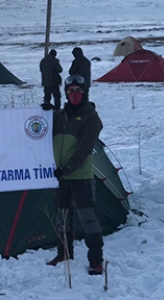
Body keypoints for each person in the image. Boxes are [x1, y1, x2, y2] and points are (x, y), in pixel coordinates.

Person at [42, 74, 105, 276]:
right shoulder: (60, 116)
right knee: (62, 216)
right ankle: (64, 253)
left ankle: (95, 259)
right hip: (60, 177)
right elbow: (39, 132)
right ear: (66, 93)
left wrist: (66, 169)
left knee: (88, 218)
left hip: (80, 177)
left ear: (84, 92)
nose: (74, 94)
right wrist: (43, 114)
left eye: (78, 91)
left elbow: (84, 148)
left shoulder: (91, 118)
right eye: (71, 91)